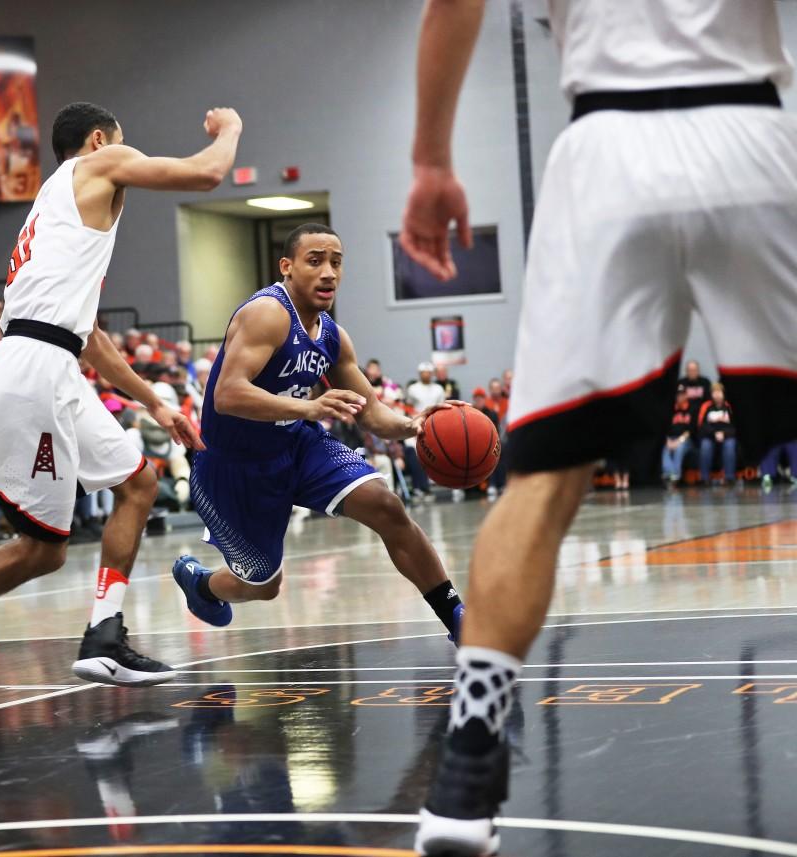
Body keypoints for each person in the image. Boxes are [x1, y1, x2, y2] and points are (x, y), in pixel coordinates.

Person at [400, 2, 797, 854]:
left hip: (605, 151)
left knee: (544, 481)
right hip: (751, 129)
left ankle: (468, 770)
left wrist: (431, 158)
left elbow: (453, 4)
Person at [0, 100, 241, 702]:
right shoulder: (97, 165)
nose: (130, 159)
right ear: (99, 140)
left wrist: (155, 404)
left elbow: (89, 336)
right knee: (44, 550)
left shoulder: (56, 217)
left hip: (53, 362)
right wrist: (231, 130)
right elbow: (206, 175)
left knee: (139, 485)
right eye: (123, 144)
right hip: (36, 370)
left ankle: (104, 636)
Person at [171, 223, 465, 647]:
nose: (328, 272)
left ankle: (456, 616)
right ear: (287, 267)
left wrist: (411, 425)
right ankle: (202, 585)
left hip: (296, 445)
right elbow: (227, 394)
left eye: (336, 262)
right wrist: (309, 406)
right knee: (264, 585)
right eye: (316, 261)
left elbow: (370, 412)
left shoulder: (332, 336)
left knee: (386, 505)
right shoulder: (267, 314)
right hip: (234, 465)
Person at [697, 382, 737, 485]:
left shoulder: (729, 406)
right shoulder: (706, 406)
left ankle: (729, 477)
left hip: (727, 436)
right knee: (705, 446)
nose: (717, 394)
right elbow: (701, 425)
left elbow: (734, 425)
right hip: (710, 435)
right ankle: (704, 478)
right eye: (715, 392)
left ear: (723, 393)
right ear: (711, 394)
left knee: (730, 445)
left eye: (719, 392)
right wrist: (714, 433)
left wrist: (724, 433)